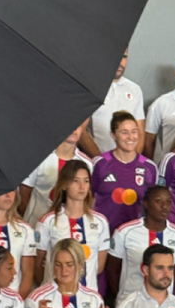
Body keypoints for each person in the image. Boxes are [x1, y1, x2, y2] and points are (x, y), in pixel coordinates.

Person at [35, 160, 110, 293]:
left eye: (86, 181)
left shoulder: (100, 222)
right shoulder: (48, 221)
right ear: (64, 185)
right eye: (76, 181)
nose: (82, 186)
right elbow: (37, 263)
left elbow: (99, 266)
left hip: (88, 298)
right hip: (54, 299)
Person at [107, 186, 175, 305]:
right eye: (158, 201)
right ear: (146, 204)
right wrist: (124, 295)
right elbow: (112, 270)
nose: (164, 207)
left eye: (168, 202)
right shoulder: (125, 232)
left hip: (162, 306)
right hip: (129, 304)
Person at [89, 111, 158, 232]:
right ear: (113, 135)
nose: (130, 137)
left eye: (134, 132)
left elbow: (153, 207)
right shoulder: (99, 164)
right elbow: (88, 200)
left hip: (134, 236)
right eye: (124, 132)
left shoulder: (149, 167)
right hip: (103, 233)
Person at [19, 122, 95, 227]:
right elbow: (24, 197)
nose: (75, 130)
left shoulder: (87, 163)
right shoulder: (38, 158)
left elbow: (86, 198)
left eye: (78, 126)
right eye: (71, 125)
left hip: (67, 229)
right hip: (35, 224)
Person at [83, 48, 145, 156]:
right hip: (97, 162)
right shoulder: (91, 88)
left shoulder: (135, 89)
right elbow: (81, 131)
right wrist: (101, 161)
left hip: (128, 164)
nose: (120, 63)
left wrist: (133, 162)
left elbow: (140, 131)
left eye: (124, 57)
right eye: (115, 56)